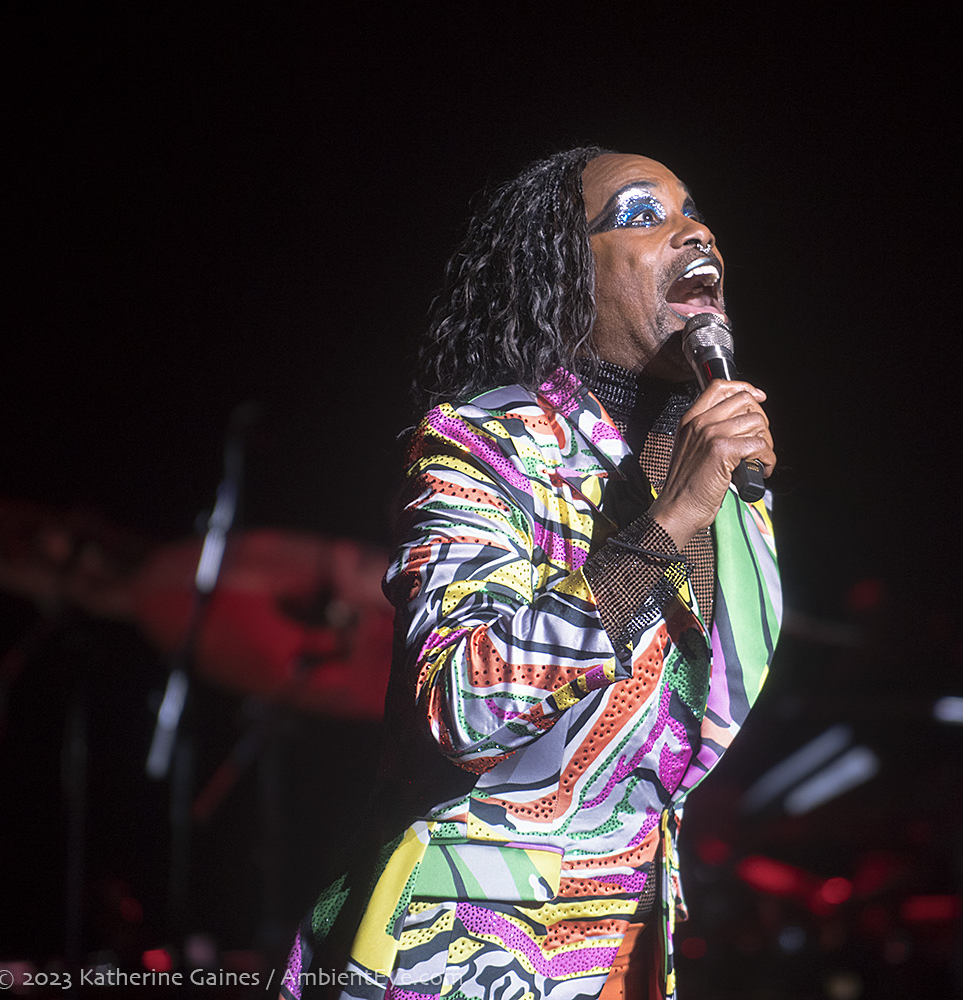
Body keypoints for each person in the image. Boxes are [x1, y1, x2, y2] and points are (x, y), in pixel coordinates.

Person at [280, 147, 781, 1000]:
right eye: (641, 215)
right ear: (565, 272)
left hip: (624, 944)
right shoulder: (482, 446)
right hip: (463, 944)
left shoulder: (716, 476)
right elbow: (460, 705)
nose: (696, 232)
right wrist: (666, 525)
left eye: (694, 211)